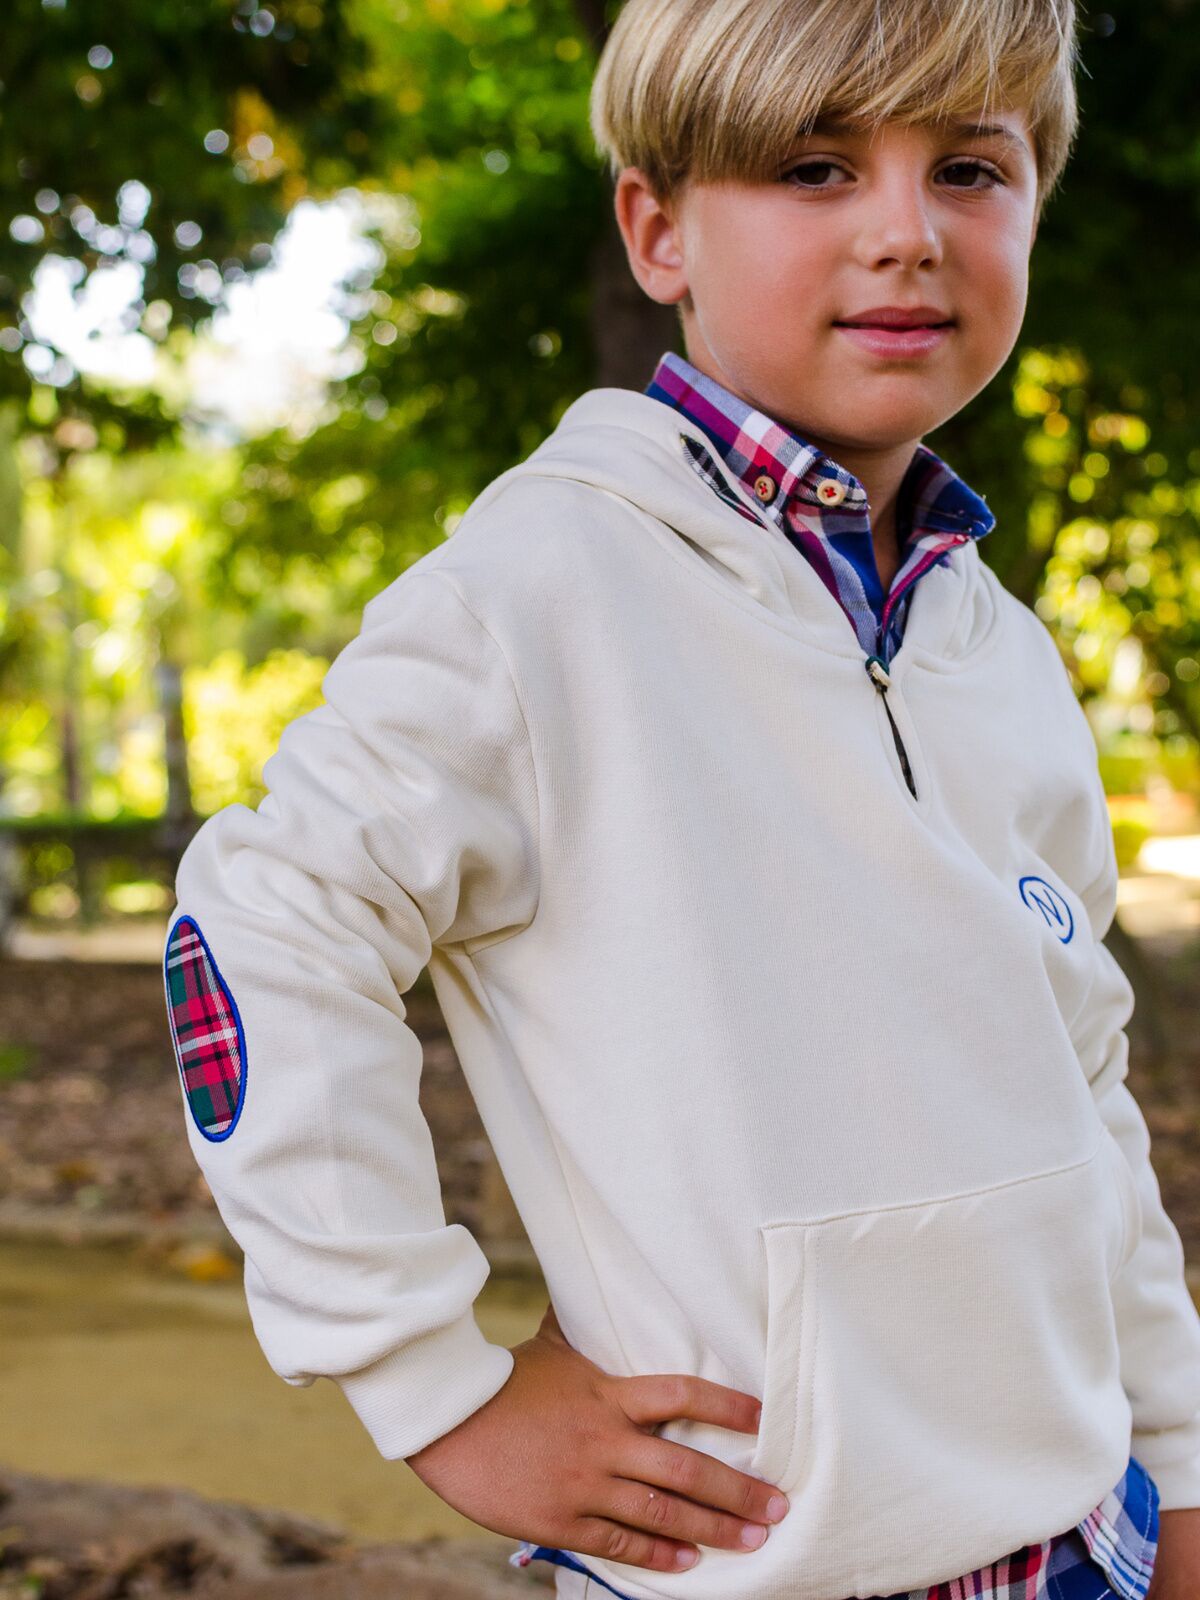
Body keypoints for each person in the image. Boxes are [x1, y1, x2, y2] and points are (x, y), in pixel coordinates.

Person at [161, 1, 1200, 1596]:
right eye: (814, 167)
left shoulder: (1000, 649)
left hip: (1080, 1544)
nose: (908, 233)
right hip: (756, 1563)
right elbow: (264, 924)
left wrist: (1178, 1465)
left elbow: (1085, 1086)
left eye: (973, 170)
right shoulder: (541, 591)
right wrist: (434, 1382)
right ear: (658, 230)